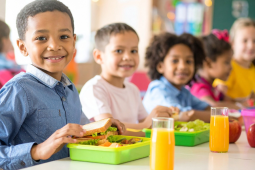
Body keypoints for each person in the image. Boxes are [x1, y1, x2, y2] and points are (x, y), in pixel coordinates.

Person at [0, 1, 124, 169]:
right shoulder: (18, 90)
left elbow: (81, 130)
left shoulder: (70, 89)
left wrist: (103, 128)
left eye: (64, 37)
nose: (54, 46)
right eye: (41, 38)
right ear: (23, 47)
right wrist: (38, 150)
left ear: (73, 42)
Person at [80, 23, 176, 136]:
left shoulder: (133, 89)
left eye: (134, 51)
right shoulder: (94, 88)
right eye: (119, 51)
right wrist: (145, 125)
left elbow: (147, 123)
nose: (128, 57)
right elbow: (108, 129)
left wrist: (163, 117)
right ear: (99, 56)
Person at [143, 33, 211, 123]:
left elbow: (207, 107)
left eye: (188, 61)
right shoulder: (158, 89)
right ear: (160, 66)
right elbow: (182, 116)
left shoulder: (183, 91)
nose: (183, 66)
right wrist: (220, 116)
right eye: (175, 61)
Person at [189, 29, 243, 109]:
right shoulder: (199, 88)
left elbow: (229, 101)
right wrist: (241, 107)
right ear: (209, 64)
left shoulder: (214, 88)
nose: (231, 67)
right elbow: (213, 107)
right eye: (227, 62)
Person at [213, 18, 255, 104]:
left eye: (254, 41)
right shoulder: (227, 67)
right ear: (233, 43)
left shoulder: (252, 69)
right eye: (245, 41)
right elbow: (219, 98)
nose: (251, 46)